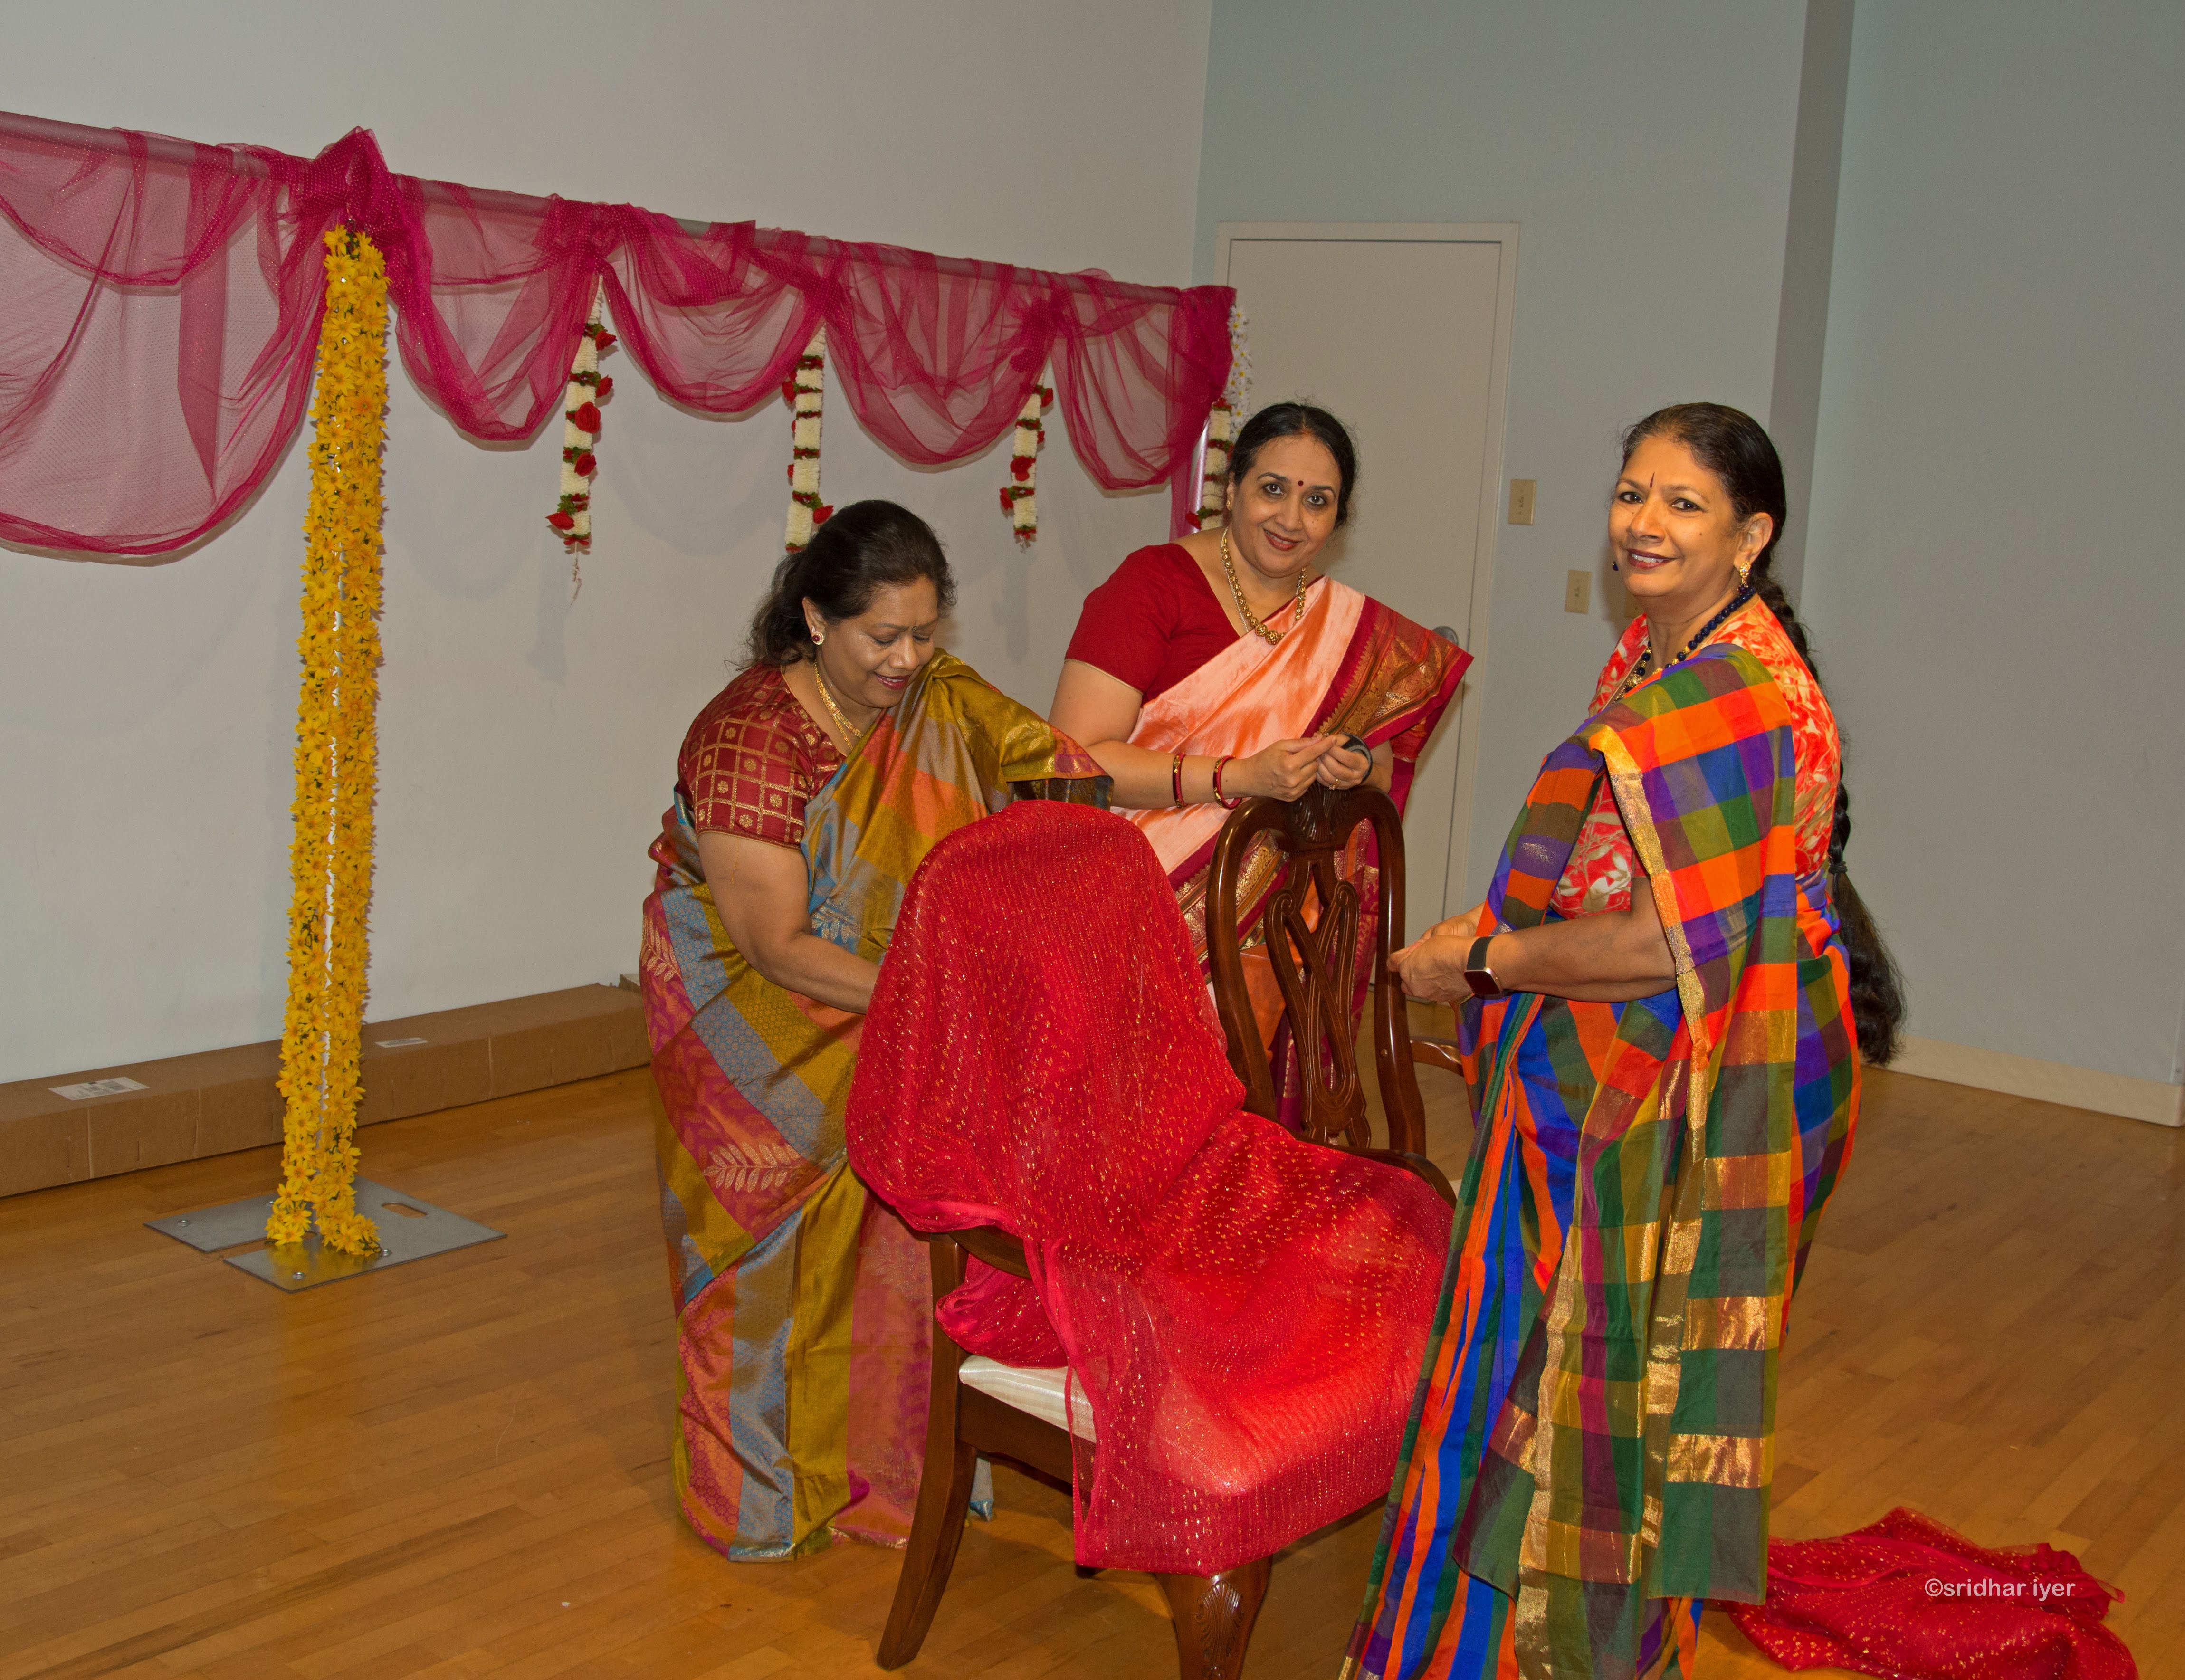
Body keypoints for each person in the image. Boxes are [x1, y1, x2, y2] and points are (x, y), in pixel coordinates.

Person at [1344, 404, 1905, 1680]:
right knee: (1534, 1369)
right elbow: (1616, 870)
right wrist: (1503, 935)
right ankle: (1462, 1643)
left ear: (1750, 537)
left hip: (1680, 1085)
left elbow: (1664, 945)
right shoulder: (1657, 652)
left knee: (1605, 1392)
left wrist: (1483, 963)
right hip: (1607, 1062)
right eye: (1632, 494)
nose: (1644, 523)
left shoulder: (1739, 698)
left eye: (1683, 503)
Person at [639, 500, 1105, 1562]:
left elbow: (1063, 769)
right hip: (751, 1021)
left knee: (899, 1240)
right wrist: (939, 988)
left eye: (924, 634)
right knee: (756, 1252)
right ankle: (756, 1499)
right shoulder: (748, 738)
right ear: (815, 618)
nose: (906, 660)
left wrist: (1227, 783)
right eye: (881, 636)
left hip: (893, 1004)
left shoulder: (935, 702)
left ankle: (887, 1483)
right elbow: (776, 946)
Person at [1050, 402, 1469, 1074]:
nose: (1291, 519)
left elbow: (1378, 767)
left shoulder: (1343, 626)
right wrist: (1239, 777)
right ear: (1232, 488)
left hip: (1282, 923)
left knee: (1245, 1101)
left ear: (1339, 517)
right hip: (1137, 899)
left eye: (1317, 501)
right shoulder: (1151, 586)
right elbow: (1078, 760)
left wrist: (1349, 762)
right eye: (1273, 489)